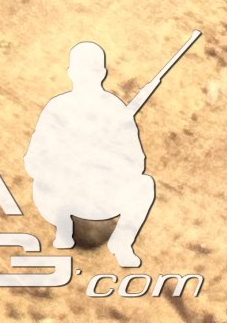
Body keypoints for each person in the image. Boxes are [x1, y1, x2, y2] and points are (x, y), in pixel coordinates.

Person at [25, 42, 159, 268]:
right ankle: (66, 229)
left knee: (144, 185)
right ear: (103, 73)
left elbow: (136, 164)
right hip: (62, 198)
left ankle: (121, 244)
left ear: (71, 72)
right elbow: (33, 162)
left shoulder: (113, 110)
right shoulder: (59, 107)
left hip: (96, 196)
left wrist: (105, 157)